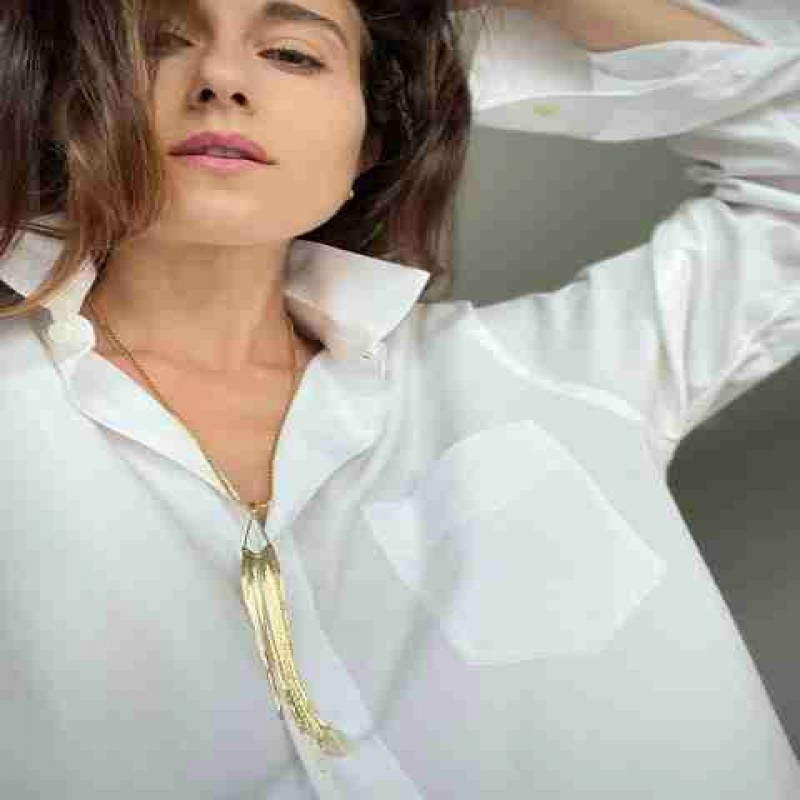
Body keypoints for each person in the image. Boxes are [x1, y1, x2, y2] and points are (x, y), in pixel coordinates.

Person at [1, 0, 798, 797]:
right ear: (68, 101)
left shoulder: (557, 370)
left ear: (373, 136)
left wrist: (442, 52)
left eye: (292, 54)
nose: (220, 79)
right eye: (161, 44)